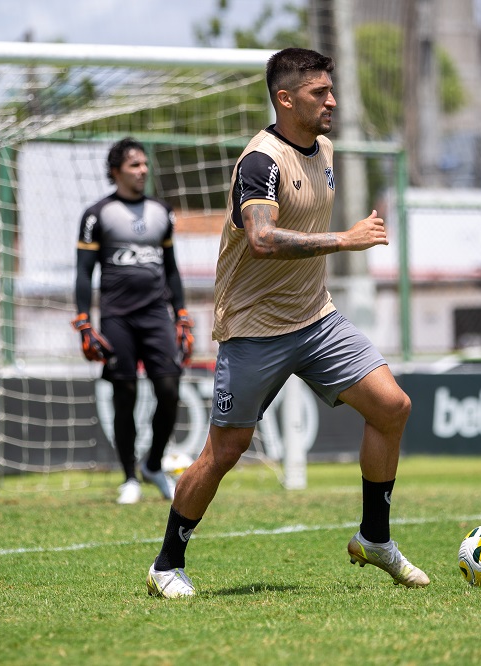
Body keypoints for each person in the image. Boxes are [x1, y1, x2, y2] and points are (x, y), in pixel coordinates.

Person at [145, 47, 429, 598]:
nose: (332, 101)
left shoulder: (323, 148)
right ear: (285, 98)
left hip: (316, 319)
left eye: (330, 90)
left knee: (392, 406)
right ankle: (166, 563)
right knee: (223, 453)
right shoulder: (260, 162)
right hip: (253, 329)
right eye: (319, 92)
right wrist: (344, 239)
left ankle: (374, 537)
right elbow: (261, 239)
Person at [73, 137, 195, 505]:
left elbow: (172, 270)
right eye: (134, 165)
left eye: (144, 164)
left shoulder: (162, 212)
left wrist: (182, 313)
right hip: (117, 318)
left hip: (157, 314)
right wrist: (83, 321)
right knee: (124, 395)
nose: (143, 170)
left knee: (170, 390)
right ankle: (129, 477)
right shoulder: (97, 215)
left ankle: (154, 464)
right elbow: (83, 273)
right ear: (116, 172)